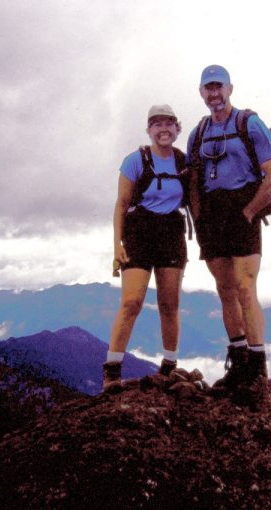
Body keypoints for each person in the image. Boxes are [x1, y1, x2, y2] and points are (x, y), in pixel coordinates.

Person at [186, 65, 271, 391]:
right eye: (207, 88)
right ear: (201, 92)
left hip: (243, 209)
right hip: (212, 215)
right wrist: (199, 220)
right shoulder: (198, 133)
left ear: (230, 88)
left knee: (244, 288)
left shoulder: (249, 124)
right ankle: (240, 364)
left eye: (219, 87)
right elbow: (193, 182)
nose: (214, 94)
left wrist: (248, 212)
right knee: (225, 290)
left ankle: (257, 370)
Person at [103, 104, 189, 393]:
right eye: (157, 124)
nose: (163, 129)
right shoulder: (134, 161)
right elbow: (121, 204)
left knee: (169, 303)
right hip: (139, 231)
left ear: (177, 128)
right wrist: (116, 245)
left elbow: (195, 202)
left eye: (169, 123)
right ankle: (111, 371)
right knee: (131, 302)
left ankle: (169, 367)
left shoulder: (183, 162)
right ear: (149, 130)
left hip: (171, 232)